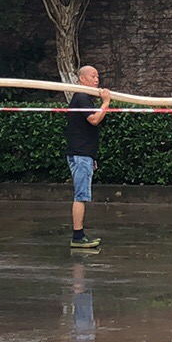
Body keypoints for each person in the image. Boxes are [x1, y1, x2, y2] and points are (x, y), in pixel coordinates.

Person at [64, 65, 111, 249]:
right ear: (82, 79)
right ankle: (77, 237)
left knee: (81, 194)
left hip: (84, 154)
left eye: (98, 76)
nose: (96, 80)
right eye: (93, 76)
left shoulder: (84, 98)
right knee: (81, 195)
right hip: (80, 155)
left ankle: (79, 235)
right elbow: (94, 119)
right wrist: (106, 103)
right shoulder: (82, 96)